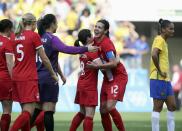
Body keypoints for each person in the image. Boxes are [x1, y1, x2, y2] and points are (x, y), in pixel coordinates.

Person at [31, 14, 98, 131]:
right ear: (52, 24)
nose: (57, 25)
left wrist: (61, 75)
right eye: (56, 23)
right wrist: (86, 48)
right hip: (48, 78)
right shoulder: (52, 38)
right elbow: (66, 49)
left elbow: (51, 59)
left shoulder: (38, 37)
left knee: (36, 110)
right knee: (48, 111)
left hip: (37, 77)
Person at [9, 13, 58, 131]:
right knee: (28, 112)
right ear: (33, 23)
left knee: (25, 112)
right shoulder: (34, 36)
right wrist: (53, 74)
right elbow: (44, 58)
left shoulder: (14, 36)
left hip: (16, 76)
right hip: (28, 77)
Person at [87, 19, 128, 131]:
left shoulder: (107, 43)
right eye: (96, 26)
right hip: (108, 77)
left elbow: (114, 63)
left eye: (100, 27)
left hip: (118, 76)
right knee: (103, 110)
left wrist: (96, 67)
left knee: (109, 107)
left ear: (105, 31)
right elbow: (84, 43)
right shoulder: (94, 41)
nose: (96, 29)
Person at [69, 29, 102, 131]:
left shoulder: (82, 51)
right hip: (89, 86)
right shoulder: (92, 53)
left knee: (82, 113)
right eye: (91, 35)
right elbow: (101, 65)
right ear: (88, 38)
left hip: (81, 84)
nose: (93, 36)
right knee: (89, 115)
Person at [150, 18, 176, 131]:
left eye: (173, 29)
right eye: (170, 29)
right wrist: (160, 71)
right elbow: (154, 54)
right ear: (164, 29)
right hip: (158, 78)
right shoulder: (159, 39)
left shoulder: (164, 41)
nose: (173, 31)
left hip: (166, 79)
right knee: (158, 107)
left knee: (172, 106)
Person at [0, 19, 14, 131]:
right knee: (6, 109)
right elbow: (10, 63)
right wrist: (14, 80)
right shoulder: (7, 42)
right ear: (8, 29)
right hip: (4, 79)